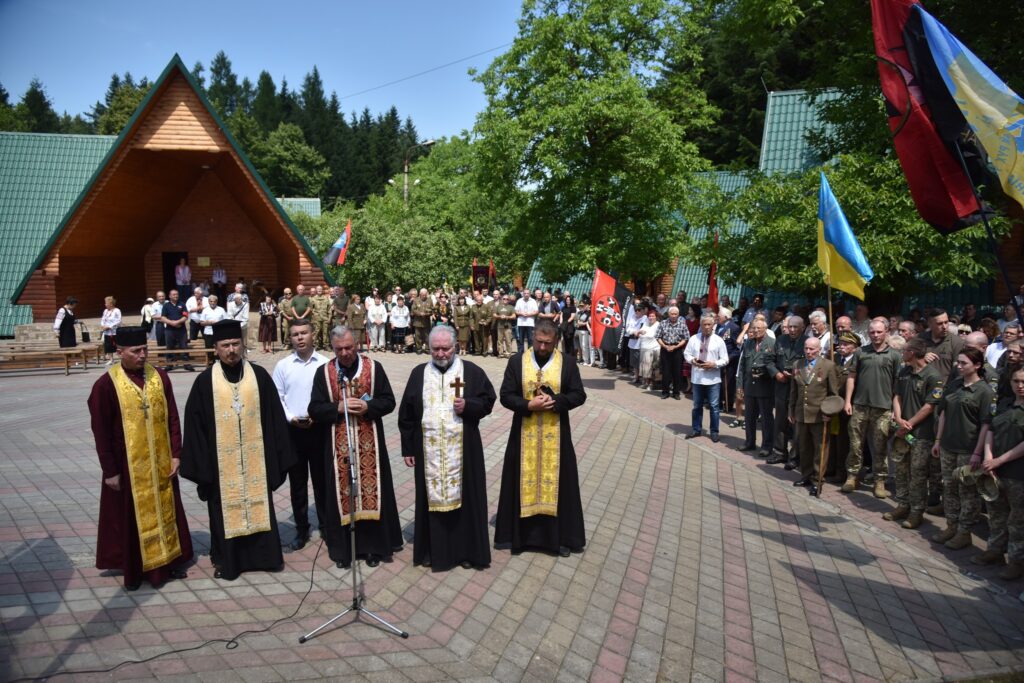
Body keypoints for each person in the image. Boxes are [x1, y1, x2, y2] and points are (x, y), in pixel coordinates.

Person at [180, 320, 295, 581]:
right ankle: (228, 562)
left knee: (260, 505)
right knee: (223, 511)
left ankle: (265, 558)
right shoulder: (204, 382)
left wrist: (278, 457)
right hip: (222, 469)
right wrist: (204, 468)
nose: (231, 350)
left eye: (235, 344)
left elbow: (275, 419)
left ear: (242, 345)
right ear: (216, 349)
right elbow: (195, 427)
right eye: (225, 345)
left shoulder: (259, 377)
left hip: (256, 464)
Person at [87, 326, 193, 590]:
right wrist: (110, 470)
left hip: (161, 463)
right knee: (131, 518)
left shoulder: (159, 377)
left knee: (166, 511)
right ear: (120, 351)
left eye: (145, 349)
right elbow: (101, 432)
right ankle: (136, 569)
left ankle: (168, 561)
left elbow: (172, 417)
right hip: (128, 467)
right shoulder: (105, 385)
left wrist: (176, 454)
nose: (142, 355)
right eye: (136, 351)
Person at [398, 326, 496, 571]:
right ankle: (432, 551)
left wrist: (469, 405)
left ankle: (466, 552)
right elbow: (406, 414)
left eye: (446, 348)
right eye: (436, 349)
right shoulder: (419, 374)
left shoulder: (471, 371)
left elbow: (488, 401)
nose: (441, 354)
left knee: (467, 499)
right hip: (427, 452)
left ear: (456, 347)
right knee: (429, 500)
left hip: (464, 450)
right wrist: (408, 448)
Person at [307, 326, 404, 568]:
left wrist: (369, 408)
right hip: (337, 448)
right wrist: (337, 408)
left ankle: (373, 548)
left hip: (370, 445)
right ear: (333, 348)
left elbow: (389, 401)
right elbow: (314, 409)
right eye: (339, 349)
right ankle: (343, 550)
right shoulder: (324, 372)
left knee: (372, 494)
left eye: (349, 347)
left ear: (357, 344)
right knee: (342, 495)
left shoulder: (373, 368)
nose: (345, 353)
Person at [494, 319, 587, 557]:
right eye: (538, 342)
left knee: (559, 483)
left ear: (556, 341)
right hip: (523, 434)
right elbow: (506, 395)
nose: (542, 347)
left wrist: (556, 401)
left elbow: (579, 395)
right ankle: (520, 538)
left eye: (547, 343)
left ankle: (560, 539)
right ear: (532, 337)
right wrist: (528, 405)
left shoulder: (567, 363)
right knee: (520, 480)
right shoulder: (517, 361)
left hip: (557, 434)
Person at [271, 318, 329, 552]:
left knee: (322, 481)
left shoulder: (325, 364)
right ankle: (302, 528)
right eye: (295, 334)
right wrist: (291, 418)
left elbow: (331, 396)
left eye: (304, 333)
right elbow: (278, 397)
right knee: (297, 484)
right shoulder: (283, 366)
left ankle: (326, 525)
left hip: (319, 429)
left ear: (313, 334)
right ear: (290, 337)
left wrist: (319, 415)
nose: (300, 337)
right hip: (294, 431)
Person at [930, 347, 995, 552]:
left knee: (967, 491)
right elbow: (943, 413)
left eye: (963, 363)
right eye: (958, 362)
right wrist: (938, 440)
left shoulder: (985, 392)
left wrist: (977, 452)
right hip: (948, 445)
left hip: (968, 450)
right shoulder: (954, 385)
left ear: (977, 365)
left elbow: (986, 425)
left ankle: (964, 532)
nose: (959, 366)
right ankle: (951, 526)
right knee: (949, 487)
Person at [887, 337, 944, 530]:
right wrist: (898, 418)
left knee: (918, 473)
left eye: (904, 350)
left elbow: (929, 406)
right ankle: (903, 504)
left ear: (912, 353)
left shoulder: (933, 376)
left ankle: (916, 511)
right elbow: (897, 396)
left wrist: (909, 423)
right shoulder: (904, 371)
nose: (902, 353)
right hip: (902, 430)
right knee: (901, 470)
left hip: (922, 434)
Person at [842, 319, 902, 497]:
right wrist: (848, 401)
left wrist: (895, 409)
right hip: (860, 405)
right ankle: (852, 476)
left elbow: (897, 385)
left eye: (879, 332)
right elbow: (851, 377)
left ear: (886, 332)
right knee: (855, 444)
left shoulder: (894, 355)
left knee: (880, 446)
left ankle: (879, 481)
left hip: (883, 408)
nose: (875, 335)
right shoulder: (861, 352)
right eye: (872, 332)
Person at [978, 367, 1024, 579]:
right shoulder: (1004, 404)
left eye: (1023, 382)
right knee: (996, 513)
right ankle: (994, 551)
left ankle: (1016, 561)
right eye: (1016, 381)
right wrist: (988, 457)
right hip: (995, 471)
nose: (1020, 386)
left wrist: (999, 460)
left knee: (1017, 520)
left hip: (1017, 473)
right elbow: (991, 430)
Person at [787, 337, 840, 495]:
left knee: (820, 449)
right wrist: (791, 411)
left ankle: (818, 480)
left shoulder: (828, 366)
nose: (808, 352)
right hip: (801, 413)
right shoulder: (797, 364)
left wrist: (830, 413)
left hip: (820, 415)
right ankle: (806, 475)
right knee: (804, 447)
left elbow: (833, 394)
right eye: (806, 348)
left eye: (812, 349)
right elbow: (793, 391)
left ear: (819, 350)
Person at [683, 314, 729, 441]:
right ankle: (696, 429)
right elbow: (686, 354)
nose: (707, 327)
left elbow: (725, 359)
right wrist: (693, 360)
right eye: (704, 324)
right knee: (697, 405)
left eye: (709, 324)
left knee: (714, 407)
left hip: (713, 379)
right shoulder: (694, 339)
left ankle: (714, 431)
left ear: (713, 325)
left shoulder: (719, 340)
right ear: (701, 325)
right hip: (697, 378)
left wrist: (714, 364)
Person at [737, 319, 778, 457]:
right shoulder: (748, 343)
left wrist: (765, 373)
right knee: (749, 417)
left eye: (759, 328)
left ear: (765, 329)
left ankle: (767, 446)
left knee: (766, 419)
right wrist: (740, 385)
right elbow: (742, 366)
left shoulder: (772, 343)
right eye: (753, 328)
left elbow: (775, 366)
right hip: (750, 386)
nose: (756, 331)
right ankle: (749, 442)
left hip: (765, 387)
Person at [771, 316, 805, 467]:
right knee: (780, 421)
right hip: (781, 386)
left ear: (802, 328)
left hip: (798, 388)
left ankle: (795, 457)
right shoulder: (780, 340)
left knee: (796, 424)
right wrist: (776, 373)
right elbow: (770, 360)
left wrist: (796, 375)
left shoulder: (807, 342)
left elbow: (811, 366)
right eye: (790, 326)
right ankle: (779, 452)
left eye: (795, 327)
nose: (791, 330)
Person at [920, 308, 964, 382]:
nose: (944, 327)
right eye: (939, 324)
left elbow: (959, 371)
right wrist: (921, 359)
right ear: (930, 324)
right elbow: (908, 363)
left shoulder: (957, 342)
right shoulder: (919, 339)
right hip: (921, 385)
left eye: (946, 322)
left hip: (945, 387)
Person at [636, 310, 661, 389]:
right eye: (649, 316)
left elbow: (651, 335)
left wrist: (642, 333)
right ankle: (646, 382)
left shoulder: (658, 325)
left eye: (653, 316)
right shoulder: (645, 323)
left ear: (656, 317)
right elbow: (638, 334)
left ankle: (652, 384)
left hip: (654, 349)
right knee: (645, 367)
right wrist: (640, 332)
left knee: (652, 367)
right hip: (644, 348)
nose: (651, 317)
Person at [515, 289, 538, 353]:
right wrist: (521, 313)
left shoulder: (533, 301)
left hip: (530, 323)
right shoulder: (519, 301)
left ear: (530, 294)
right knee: (520, 339)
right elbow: (516, 311)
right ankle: (520, 353)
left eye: (527, 293)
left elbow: (536, 311)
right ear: (523, 294)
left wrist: (529, 314)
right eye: (525, 293)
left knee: (530, 339)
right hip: (521, 323)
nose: (526, 295)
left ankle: (530, 353)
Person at [100, 296, 122, 364]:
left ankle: (122, 358)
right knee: (108, 346)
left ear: (111, 304)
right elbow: (102, 319)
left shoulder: (117, 310)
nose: (105, 304)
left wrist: (110, 326)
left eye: (106, 303)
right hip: (107, 332)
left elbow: (119, 321)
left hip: (114, 331)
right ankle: (111, 359)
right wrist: (103, 325)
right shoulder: (105, 311)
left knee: (117, 345)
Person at [411, 289, 434, 353]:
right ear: (420, 294)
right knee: (418, 336)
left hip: (426, 321)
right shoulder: (416, 300)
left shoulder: (429, 300)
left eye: (425, 295)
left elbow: (432, 310)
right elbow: (413, 309)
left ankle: (427, 349)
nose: (424, 296)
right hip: (417, 321)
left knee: (427, 336)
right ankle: (419, 348)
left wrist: (427, 313)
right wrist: (419, 313)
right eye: (423, 295)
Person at [496, 294, 518, 359]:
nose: (505, 300)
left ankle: (508, 353)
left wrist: (506, 317)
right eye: (504, 299)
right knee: (500, 341)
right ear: (502, 299)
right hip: (500, 326)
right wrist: (499, 316)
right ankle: (501, 353)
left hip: (508, 326)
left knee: (508, 341)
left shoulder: (511, 307)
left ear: (509, 300)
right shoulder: (498, 307)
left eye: (507, 299)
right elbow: (494, 314)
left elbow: (514, 316)